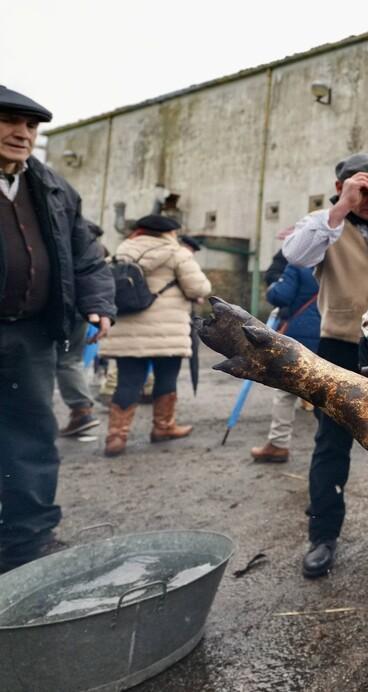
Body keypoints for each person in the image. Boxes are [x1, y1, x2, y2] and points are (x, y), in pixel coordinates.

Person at [0, 86, 115, 573]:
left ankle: (26, 543)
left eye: (30, 126)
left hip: (29, 335)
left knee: (30, 436)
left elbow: (86, 253)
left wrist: (97, 302)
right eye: (9, 121)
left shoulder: (52, 187)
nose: (22, 133)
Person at [282, 153, 368, 577]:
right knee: (331, 442)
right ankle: (323, 535)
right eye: (364, 190)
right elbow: (296, 256)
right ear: (343, 188)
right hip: (339, 345)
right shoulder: (325, 226)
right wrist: (340, 209)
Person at [100, 215, 210, 456]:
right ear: (168, 233)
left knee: (127, 381)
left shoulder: (120, 253)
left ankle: (116, 437)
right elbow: (200, 288)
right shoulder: (178, 254)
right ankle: (163, 427)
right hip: (167, 331)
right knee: (166, 379)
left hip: (127, 331)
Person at [249, 260, 320, 463]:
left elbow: (280, 295)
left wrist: (273, 286)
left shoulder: (298, 264)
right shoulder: (339, 262)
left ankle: (278, 444)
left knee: (285, 393)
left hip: (298, 334)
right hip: (329, 334)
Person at [55, 221, 107, 437]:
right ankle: (81, 411)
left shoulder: (66, 243)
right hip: (82, 310)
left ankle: (81, 411)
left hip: (60, 308)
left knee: (54, 360)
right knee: (70, 360)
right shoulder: (97, 250)